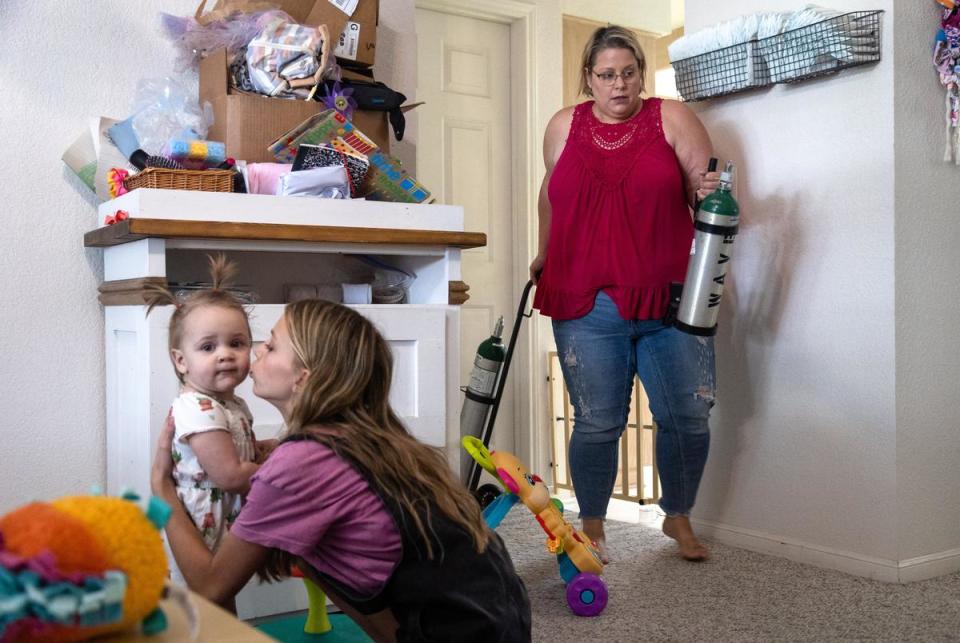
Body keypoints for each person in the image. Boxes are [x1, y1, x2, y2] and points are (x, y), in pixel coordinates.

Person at [151, 299, 532, 642]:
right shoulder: (361, 437)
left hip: (464, 631)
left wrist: (163, 491)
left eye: (271, 344)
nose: (255, 352)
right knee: (308, 549)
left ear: (303, 376)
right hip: (501, 618)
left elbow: (210, 589)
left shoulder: (300, 463)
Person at [529, 25, 722, 563]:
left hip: (670, 298)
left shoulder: (672, 116)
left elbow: (704, 193)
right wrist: (543, 251)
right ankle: (593, 525)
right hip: (585, 297)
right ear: (589, 78)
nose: (620, 85)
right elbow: (551, 194)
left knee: (687, 415)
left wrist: (710, 191)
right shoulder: (563, 125)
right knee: (597, 420)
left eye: (629, 73)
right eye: (607, 75)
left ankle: (678, 517)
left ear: (641, 72)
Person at [146, 254, 270, 585]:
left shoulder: (229, 403)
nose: (225, 353)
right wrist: (285, 474)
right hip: (201, 521)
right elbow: (229, 474)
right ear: (181, 360)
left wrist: (267, 447)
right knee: (204, 607)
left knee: (220, 602)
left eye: (237, 343)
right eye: (208, 347)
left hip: (222, 515)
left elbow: (232, 450)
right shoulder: (197, 407)